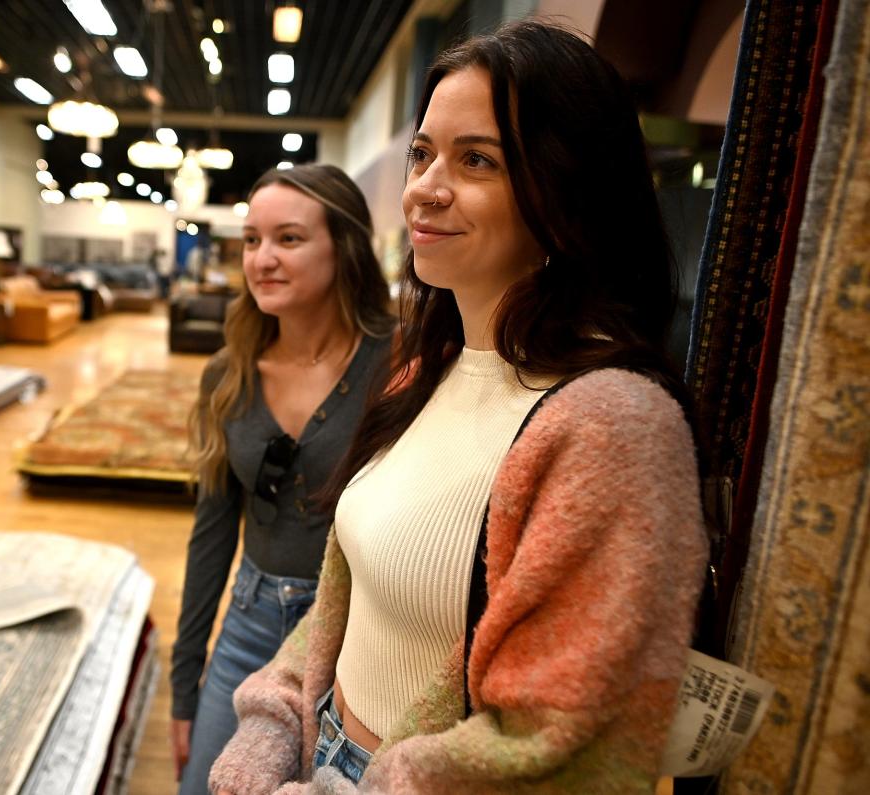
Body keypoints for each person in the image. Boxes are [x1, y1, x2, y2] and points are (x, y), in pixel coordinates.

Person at [209, 19, 708, 794]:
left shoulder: (614, 426)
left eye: (476, 159)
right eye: (421, 154)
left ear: (565, 189)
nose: (424, 188)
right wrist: (273, 721)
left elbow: (556, 748)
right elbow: (353, 597)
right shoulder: (422, 369)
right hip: (318, 749)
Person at [170, 164, 395, 794]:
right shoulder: (230, 371)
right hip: (248, 620)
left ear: (344, 248)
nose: (262, 259)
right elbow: (211, 535)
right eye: (250, 240)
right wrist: (183, 687)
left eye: (288, 239)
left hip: (353, 634)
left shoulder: (399, 363)